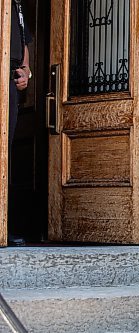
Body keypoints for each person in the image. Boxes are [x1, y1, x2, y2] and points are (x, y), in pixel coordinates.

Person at [8, 0, 32, 246]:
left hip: (9, 79)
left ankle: (2, 225)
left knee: (4, 151)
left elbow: (24, 38)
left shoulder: (16, 3)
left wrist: (25, 70)